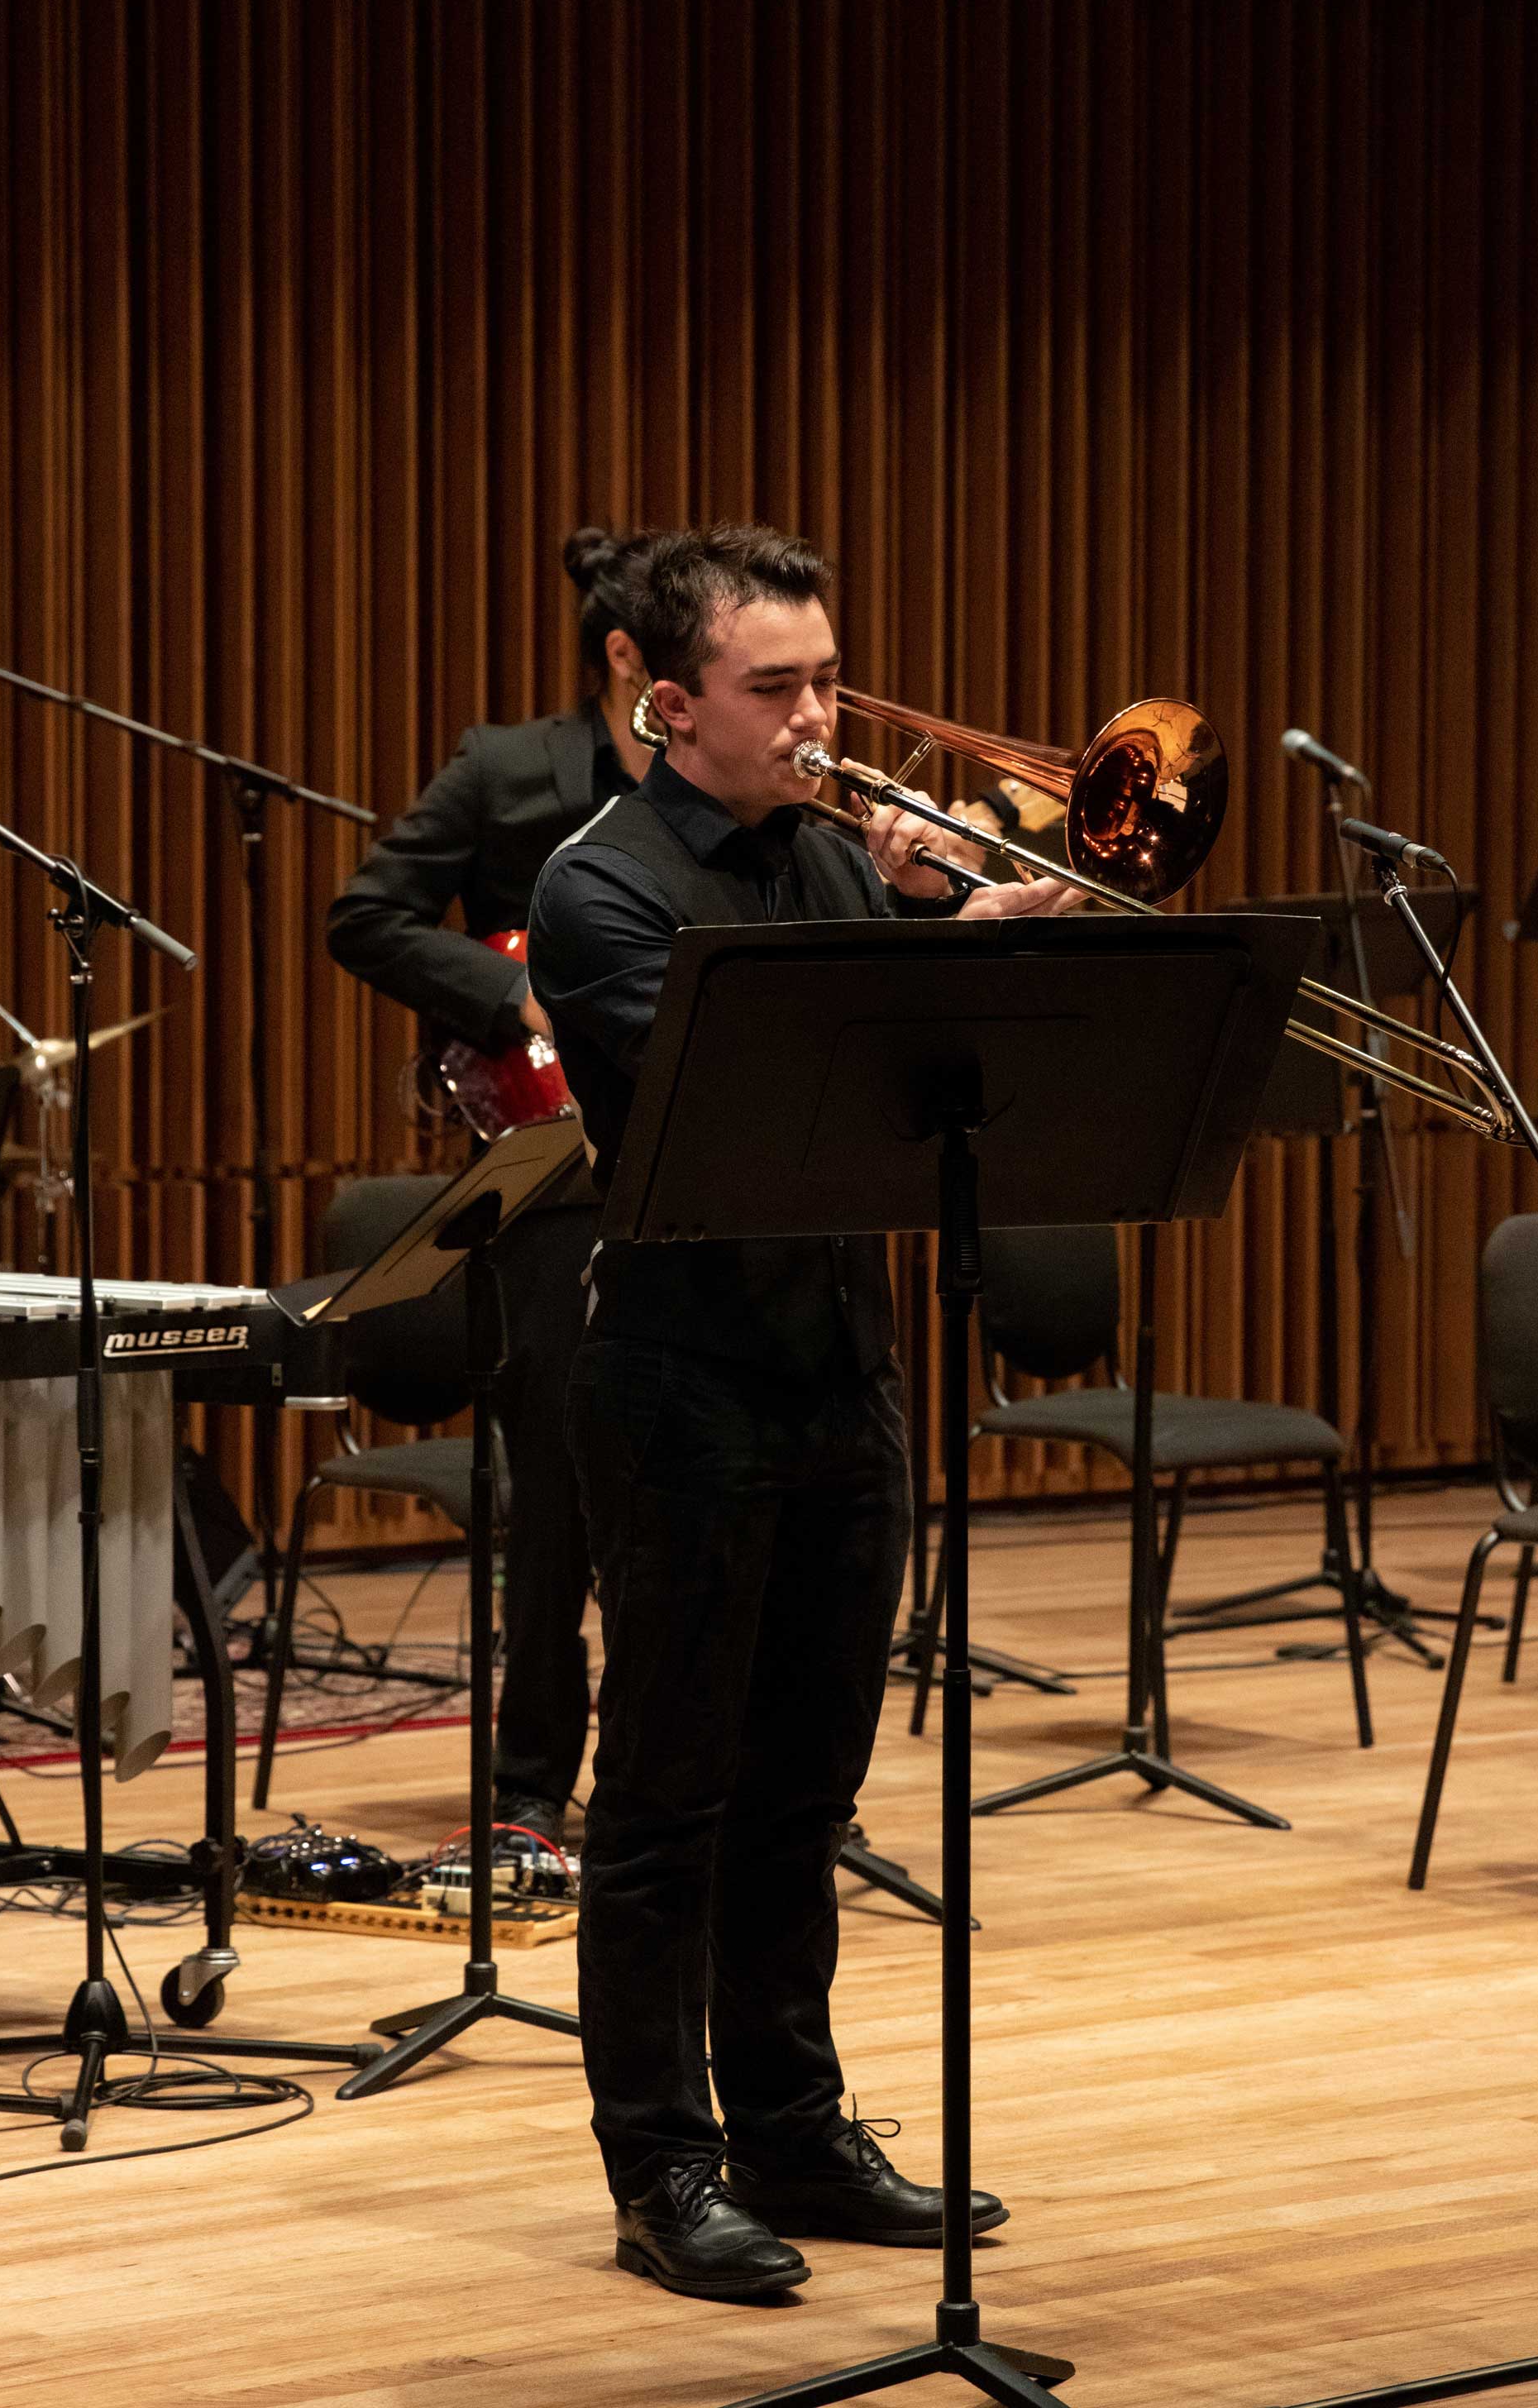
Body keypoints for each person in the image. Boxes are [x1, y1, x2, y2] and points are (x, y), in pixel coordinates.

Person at [528, 523, 1083, 2300]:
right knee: (666, 1800)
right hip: (679, 1382)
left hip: (844, 1371)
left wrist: (975, 937)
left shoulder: (835, 860)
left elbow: (923, 1093)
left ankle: (789, 2127)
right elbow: (760, 1105)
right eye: (777, 689)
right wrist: (929, 950)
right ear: (668, 704)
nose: (820, 718)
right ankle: (661, 2167)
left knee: (805, 1791)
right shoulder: (600, 888)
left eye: (828, 681)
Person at [326, 527, 655, 1842]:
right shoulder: (507, 767)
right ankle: (529, 1786)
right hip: (549, 1172)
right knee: (557, 1491)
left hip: (691, 1151)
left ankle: (692, 1777)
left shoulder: (739, 792)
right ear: (629, 657)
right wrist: (510, 989)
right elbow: (367, 915)